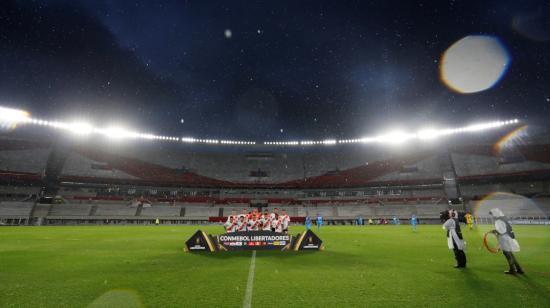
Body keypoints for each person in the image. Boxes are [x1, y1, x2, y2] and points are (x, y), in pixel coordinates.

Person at [489, 208, 523, 274]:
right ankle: (519, 269)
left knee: (508, 254)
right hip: (508, 238)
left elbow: (501, 232)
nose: (492, 216)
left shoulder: (498, 221)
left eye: (492, 214)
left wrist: (494, 231)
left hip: (505, 239)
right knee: (510, 254)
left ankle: (512, 270)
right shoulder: (503, 219)